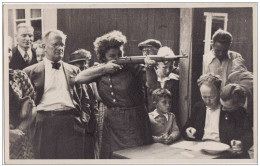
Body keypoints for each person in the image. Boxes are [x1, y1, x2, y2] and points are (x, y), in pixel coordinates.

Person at [76, 30, 155, 158]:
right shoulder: (100, 69)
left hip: (134, 120)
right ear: (103, 57)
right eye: (112, 56)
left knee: (136, 156)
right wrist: (104, 69)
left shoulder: (132, 67)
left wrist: (150, 69)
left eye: (119, 54)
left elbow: (152, 85)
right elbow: (79, 78)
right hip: (112, 122)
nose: (117, 58)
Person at [23, 29, 93, 159]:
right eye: (55, 44)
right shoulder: (30, 72)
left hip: (71, 123)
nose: (60, 48)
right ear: (44, 47)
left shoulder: (74, 70)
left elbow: (85, 99)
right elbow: (23, 103)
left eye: (62, 45)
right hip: (43, 123)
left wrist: (83, 120)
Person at [182, 75, 252, 158]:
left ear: (219, 91)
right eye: (204, 97)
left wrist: (241, 144)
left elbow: (248, 134)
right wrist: (188, 131)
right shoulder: (198, 107)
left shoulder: (231, 107)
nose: (208, 101)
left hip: (226, 153)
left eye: (212, 96)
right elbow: (186, 128)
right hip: (202, 150)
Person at [8, 36, 37, 159]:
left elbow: (33, 107)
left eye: (9, 50)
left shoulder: (19, 76)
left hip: (19, 141)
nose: (6, 54)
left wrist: (19, 130)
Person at [68, 49, 96, 159]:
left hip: (92, 125)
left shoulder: (90, 80)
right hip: (78, 125)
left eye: (85, 64)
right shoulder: (71, 81)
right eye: (80, 65)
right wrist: (82, 120)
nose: (83, 68)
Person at [146, 47, 179, 116]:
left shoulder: (176, 79)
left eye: (168, 59)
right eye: (162, 59)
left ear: (171, 62)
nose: (165, 62)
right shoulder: (149, 75)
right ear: (157, 61)